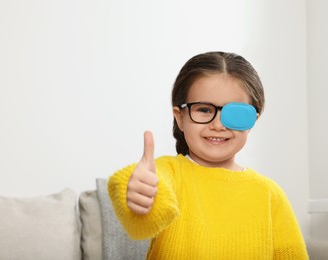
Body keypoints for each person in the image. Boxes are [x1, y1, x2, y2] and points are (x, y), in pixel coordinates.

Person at [107, 51, 308, 259]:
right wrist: (137, 191)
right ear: (180, 118)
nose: (218, 125)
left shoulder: (270, 195)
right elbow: (144, 214)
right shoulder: (169, 173)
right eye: (204, 110)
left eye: (235, 113)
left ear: (251, 121)